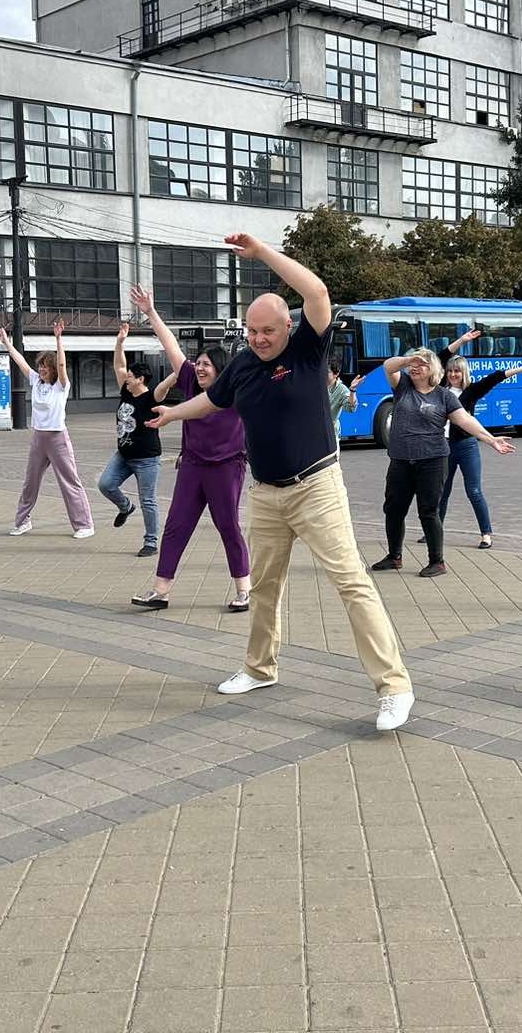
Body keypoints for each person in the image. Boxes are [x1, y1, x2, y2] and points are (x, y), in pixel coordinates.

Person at [147, 234, 416, 731]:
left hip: (317, 487)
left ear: (287, 327)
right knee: (264, 587)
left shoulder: (309, 348)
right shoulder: (243, 365)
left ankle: (394, 687)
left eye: (267, 331)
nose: (258, 339)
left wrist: (263, 254)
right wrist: (172, 414)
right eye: (252, 331)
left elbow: (317, 292)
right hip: (267, 494)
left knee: (351, 582)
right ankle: (259, 668)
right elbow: (213, 401)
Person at [128, 285, 250, 612]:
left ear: (221, 369)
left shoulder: (235, 391)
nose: (200, 368)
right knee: (176, 526)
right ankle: (160, 591)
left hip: (226, 467)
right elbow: (171, 346)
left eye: (207, 364)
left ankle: (244, 590)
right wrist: (151, 312)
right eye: (199, 363)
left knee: (228, 527)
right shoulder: (189, 382)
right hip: (193, 466)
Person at [369, 344, 515, 578]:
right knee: (394, 510)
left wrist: (491, 439)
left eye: (422, 364)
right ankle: (394, 556)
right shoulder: (403, 386)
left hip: (433, 461)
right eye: (413, 363)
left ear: (434, 370)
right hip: (400, 461)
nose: (415, 367)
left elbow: (464, 420)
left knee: (428, 511)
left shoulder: (444, 396)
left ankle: (437, 561)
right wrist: (408, 360)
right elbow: (388, 366)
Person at [424, 330, 522, 551]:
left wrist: (520, 369)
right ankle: (434, 532)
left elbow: (494, 378)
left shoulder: (472, 391)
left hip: (466, 446)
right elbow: (440, 357)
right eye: (450, 371)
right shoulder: (439, 389)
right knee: (441, 492)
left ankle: (486, 534)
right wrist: (462, 340)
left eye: (457, 371)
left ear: (464, 372)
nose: (453, 374)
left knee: (474, 491)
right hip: (443, 446)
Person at [0, 320, 94, 540]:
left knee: (69, 481)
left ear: (52, 369)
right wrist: (7, 344)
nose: (41, 369)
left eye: (45, 366)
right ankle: (23, 521)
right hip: (38, 439)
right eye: (40, 365)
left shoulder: (61, 386)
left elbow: (62, 365)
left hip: (58, 438)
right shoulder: (36, 381)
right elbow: (20, 361)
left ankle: (84, 525)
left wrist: (58, 339)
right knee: (30, 482)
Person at [97, 322, 162, 557]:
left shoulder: (151, 398)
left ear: (141, 379)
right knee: (105, 484)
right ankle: (125, 507)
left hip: (147, 459)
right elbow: (119, 365)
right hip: (123, 455)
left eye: (131, 377)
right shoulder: (126, 392)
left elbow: (167, 384)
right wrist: (120, 342)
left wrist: (180, 369)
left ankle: (151, 542)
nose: (126, 378)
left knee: (148, 501)